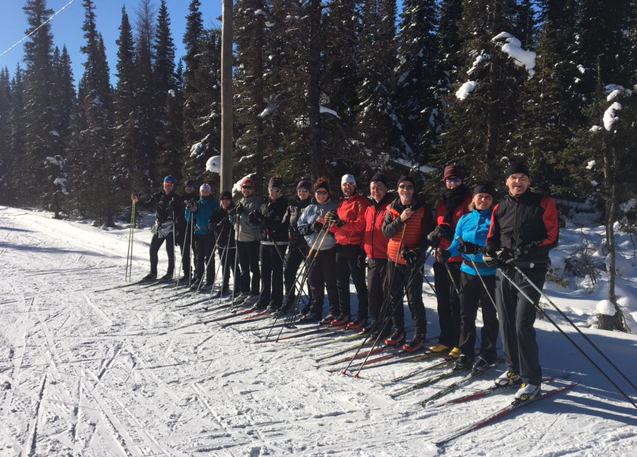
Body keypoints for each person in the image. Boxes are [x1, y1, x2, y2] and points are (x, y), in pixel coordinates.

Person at [484, 161, 558, 402]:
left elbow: (551, 237)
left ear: (529, 182)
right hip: (505, 272)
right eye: (514, 177)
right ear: (506, 182)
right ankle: (513, 371)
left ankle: (532, 380)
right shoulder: (500, 207)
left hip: (531, 271)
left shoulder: (542, 203)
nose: (518, 182)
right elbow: (493, 237)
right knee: (505, 322)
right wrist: (490, 253)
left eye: (523, 177)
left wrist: (519, 252)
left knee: (521, 325)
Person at [439, 182, 499, 374]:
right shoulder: (465, 219)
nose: (484, 200)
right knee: (466, 315)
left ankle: (488, 354)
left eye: (488, 197)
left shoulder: (496, 220)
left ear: (492, 201)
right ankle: (466, 352)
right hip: (467, 272)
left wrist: (481, 250)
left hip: (489, 274)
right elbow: (458, 242)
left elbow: (498, 245)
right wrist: (447, 253)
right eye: (480, 196)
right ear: (473, 199)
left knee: (489, 316)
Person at [382, 175, 434, 352]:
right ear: (397, 189)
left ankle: (419, 335)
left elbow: (428, 235)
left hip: (412, 261)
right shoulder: (391, 208)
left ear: (414, 190)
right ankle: (399, 330)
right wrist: (401, 219)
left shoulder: (422, 208)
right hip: (393, 259)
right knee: (394, 297)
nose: (406, 190)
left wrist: (417, 251)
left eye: (409, 187)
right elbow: (387, 232)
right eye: (402, 186)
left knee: (414, 299)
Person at [427, 164, 473, 358]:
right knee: (443, 300)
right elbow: (437, 224)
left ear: (462, 181)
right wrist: (435, 235)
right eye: (449, 179)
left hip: (458, 259)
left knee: (457, 302)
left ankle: (459, 341)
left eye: (456, 179)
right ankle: (445, 338)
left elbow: (470, 229)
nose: (452, 183)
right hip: (441, 257)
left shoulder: (468, 200)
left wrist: (451, 233)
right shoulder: (442, 201)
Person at [327, 174, 370, 327]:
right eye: (345, 184)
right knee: (341, 283)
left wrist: (342, 223)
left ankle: (362, 315)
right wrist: (330, 221)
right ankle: (345, 313)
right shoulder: (340, 204)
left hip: (355, 247)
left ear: (355, 185)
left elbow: (360, 224)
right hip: (340, 246)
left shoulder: (361, 202)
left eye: (351, 184)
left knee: (359, 282)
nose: (348, 187)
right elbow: (334, 228)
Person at [296, 177, 340, 322]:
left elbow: (339, 228)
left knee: (331, 282)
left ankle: (335, 311)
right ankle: (316, 310)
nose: (320, 195)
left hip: (328, 249)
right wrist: (313, 226)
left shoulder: (334, 207)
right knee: (314, 282)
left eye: (323, 192)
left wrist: (328, 225)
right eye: (318, 192)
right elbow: (300, 226)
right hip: (313, 248)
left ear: (328, 194)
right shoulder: (309, 208)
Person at [361, 172, 395, 335]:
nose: (376, 191)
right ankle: (376, 321)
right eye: (373, 188)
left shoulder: (391, 206)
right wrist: (363, 250)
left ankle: (386, 324)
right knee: (372, 292)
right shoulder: (369, 208)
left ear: (386, 189)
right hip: (372, 257)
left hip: (387, 257)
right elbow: (366, 231)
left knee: (385, 293)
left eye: (379, 188)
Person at [250, 176, 289, 313]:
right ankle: (264, 298)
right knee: (265, 272)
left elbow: (279, 224)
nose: (274, 193)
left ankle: (276, 300)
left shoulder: (284, 205)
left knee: (276, 272)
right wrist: (254, 220)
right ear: (268, 190)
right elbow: (262, 223)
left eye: (277, 190)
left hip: (278, 242)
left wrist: (262, 219)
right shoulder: (264, 204)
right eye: (272, 190)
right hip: (264, 241)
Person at [132, 175, 181, 281]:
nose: (168, 186)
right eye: (166, 184)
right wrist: (137, 201)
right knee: (153, 249)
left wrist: (178, 230)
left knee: (170, 251)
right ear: (163, 185)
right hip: (159, 226)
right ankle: (153, 273)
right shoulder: (158, 195)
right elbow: (148, 205)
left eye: (170, 184)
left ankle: (169, 273)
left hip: (171, 226)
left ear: (173, 186)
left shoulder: (176, 198)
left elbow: (179, 215)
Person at [281, 179, 313, 314]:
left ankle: (313, 303)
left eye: (304, 191)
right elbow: (284, 223)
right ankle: (290, 300)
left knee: (310, 273)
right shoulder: (292, 206)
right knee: (289, 271)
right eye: (299, 191)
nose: (301, 193)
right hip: (294, 242)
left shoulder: (313, 205)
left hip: (309, 243)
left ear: (309, 192)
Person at [231, 177, 261, 306]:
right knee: (243, 267)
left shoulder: (256, 202)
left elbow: (254, 223)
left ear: (253, 189)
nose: (246, 190)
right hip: (239, 238)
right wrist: (231, 215)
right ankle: (244, 290)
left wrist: (242, 213)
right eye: (244, 187)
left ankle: (255, 292)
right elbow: (234, 222)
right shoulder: (240, 201)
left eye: (249, 187)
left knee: (253, 267)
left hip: (251, 239)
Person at [185, 184, 219, 289]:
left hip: (209, 233)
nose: (204, 193)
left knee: (209, 257)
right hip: (199, 232)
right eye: (202, 191)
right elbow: (189, 219)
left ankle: (210, 280)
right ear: (200, 192)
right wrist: (189, 209)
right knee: (198, 257)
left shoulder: (214, 203)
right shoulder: (198, 203)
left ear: (210, 192)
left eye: (206, 191)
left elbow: (217, 215)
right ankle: (199, 278)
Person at [210, 190, 240, 298]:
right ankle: (225, 285)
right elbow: (211, 222)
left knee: (233, 264)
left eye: (227, 199)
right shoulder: (217, 211)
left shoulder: (233, 210)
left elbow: (235, 222)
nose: (225, 201)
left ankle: (238, 287)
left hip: (231, 241)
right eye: (223, 199)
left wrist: (226, 224)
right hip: (221, 241)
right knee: (224, 265)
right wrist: (214, 225)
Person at [177, 179, 199, 282]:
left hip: (194, 229)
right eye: (187, 187)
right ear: (184, 188)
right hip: (183, 229)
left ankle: (197, 273)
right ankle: (187, 273)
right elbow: (176, 214)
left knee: (196, 252)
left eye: (191, 186)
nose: (189, 188)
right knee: (184, 252)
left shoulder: (197, 198)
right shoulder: (180, 199)